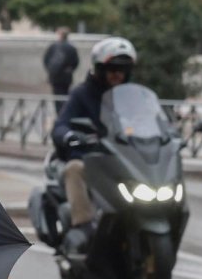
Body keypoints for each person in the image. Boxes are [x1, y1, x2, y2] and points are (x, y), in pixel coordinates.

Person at [50, 36, 137, 254]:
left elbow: (147, 120)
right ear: (100, 69)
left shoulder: (131, 97)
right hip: (89, 157)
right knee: (74, 169)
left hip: (120, 157)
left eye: (122, 69)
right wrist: (69, 135)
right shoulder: (82, 94)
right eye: (112, 68)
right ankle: (84, 227)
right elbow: (60, 125)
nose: (118, 74)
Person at [43, 27, 80, 114]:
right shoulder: (71, 48)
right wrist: (70, 70)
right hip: (66, 77)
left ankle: (59, 113)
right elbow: (76, 62)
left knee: (57, 97)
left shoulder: (53, 46)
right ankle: (64, 113)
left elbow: (46, 60)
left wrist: (50, 70)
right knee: (65, 96)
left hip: (55, 76)